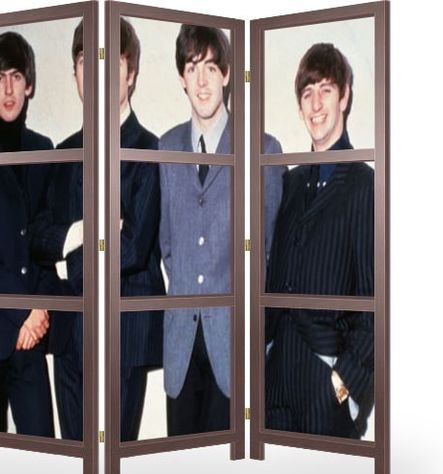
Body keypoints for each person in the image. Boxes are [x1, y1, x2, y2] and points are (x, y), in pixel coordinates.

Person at [30, 18, 166, 442]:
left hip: (123, 332)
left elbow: (133, 248)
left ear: (130, 73)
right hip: (69, 333)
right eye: (86, 63)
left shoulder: (150, 150)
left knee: (113, 458)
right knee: (76, 454)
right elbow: (37, 236)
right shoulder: (62, 152)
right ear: (75, 74)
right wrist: (84, 231)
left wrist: (65, 264)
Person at [159, 25, 285, 436]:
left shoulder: (262, 150)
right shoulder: (165, 149)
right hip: (181, 347)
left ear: (228, 73)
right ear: (181, 77)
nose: (201, 81)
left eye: (211, 68)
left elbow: (268, 253)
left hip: (235, 346)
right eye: (192, 68)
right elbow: (167, 245)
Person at [264, 43, 374, 438]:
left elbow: (375, 300)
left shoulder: (365, 185)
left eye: (326, 90)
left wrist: (345, 382)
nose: (315, 104)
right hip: (275, 379)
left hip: (325, 383)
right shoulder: (289, 182)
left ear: (344, 97)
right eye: (307, 92)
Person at [0, 31, 54, 437]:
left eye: (17, 76)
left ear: (29, 85)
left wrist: (37, 312)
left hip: (31, 337)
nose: (8, 89)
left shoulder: (45, 151)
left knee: (46, 449)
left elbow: (46, 241)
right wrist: (25, 310)